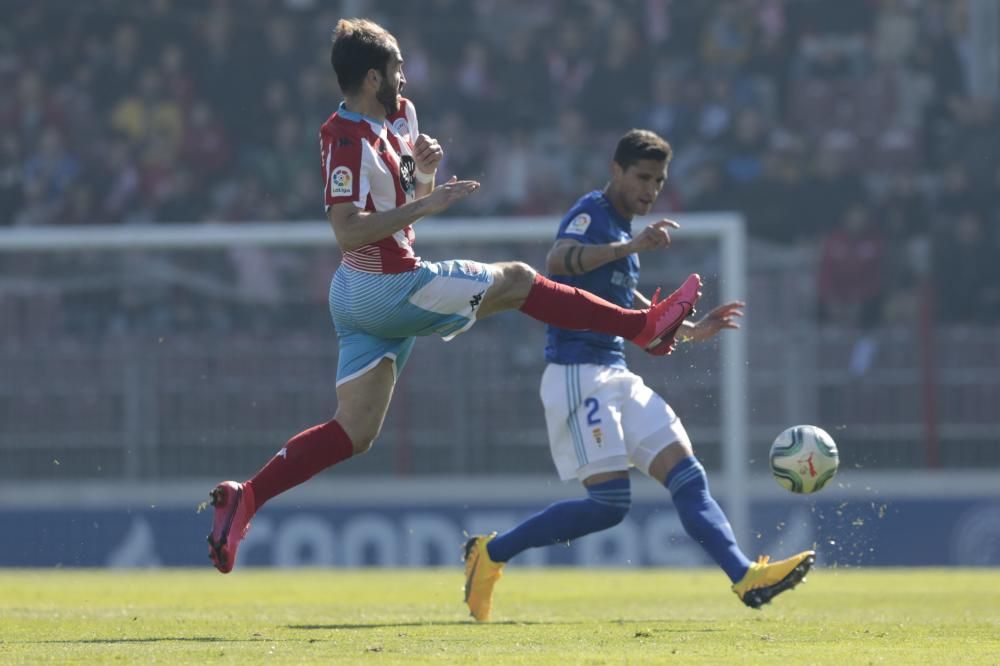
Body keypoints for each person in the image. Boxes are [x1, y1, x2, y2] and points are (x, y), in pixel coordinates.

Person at [205, 20, 702, 573]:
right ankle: (642, 327)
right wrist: (427, 204)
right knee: (517, 279)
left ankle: (244, 497)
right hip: (384, 285)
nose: (403, 75)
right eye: (396, 68)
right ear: (373, 76)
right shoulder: (343, 139)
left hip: (358, 292)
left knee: (354, 430)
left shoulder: (398, 120)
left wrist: (422, 176)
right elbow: (347, 230)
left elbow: (396, 195)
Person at [462, 129, 815, 622]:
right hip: (576, 374)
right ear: (616, 171)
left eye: (659, 180)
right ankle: (492, 554)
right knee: (608, 504)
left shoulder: (624, 234)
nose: (650, 189)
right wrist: (630, 246)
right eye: (642, 177)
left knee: (689, 477)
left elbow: (630, 311)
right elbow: (557, 260)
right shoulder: (594, 213)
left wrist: (692, 330)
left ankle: (744, 577)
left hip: (617, 373)